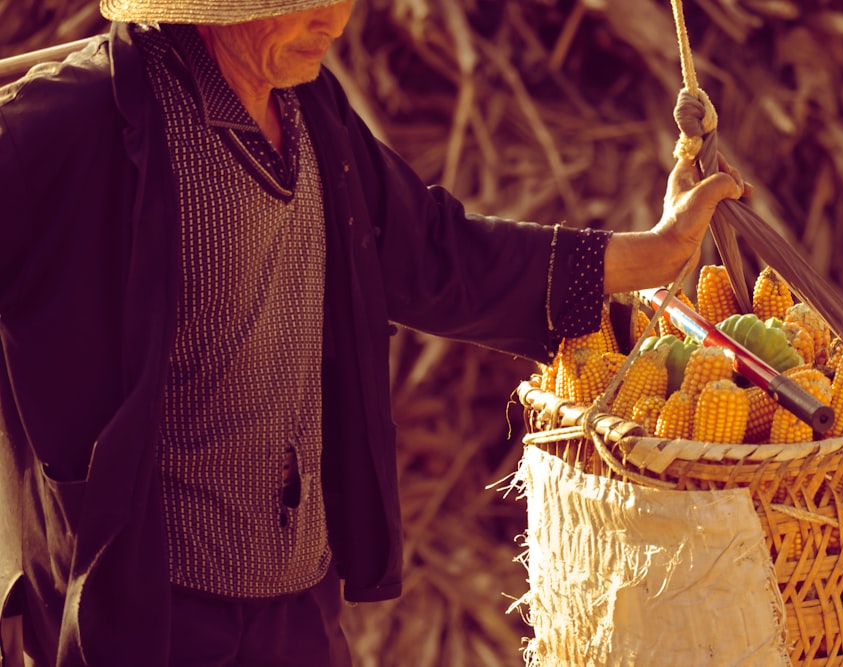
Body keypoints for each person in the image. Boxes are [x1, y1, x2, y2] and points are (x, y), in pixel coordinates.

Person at [0, 1, 745, 665]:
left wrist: (655, 252)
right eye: (301, 3)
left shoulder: (310, 111)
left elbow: (437, 256)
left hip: (297, 601)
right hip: (149, 610)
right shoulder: (81, 122)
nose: (336, 19)